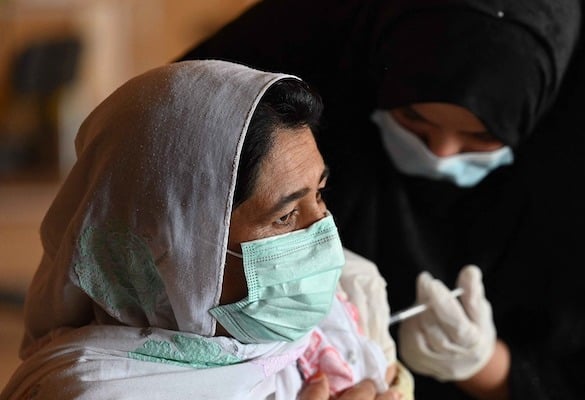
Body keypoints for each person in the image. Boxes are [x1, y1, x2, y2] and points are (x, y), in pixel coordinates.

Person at [178, 0, 585, 399]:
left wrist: (483, 364)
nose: (441, 153)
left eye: (481, 137)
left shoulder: (583, 160)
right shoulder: (293, 78)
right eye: (413, 119)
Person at [0, 60, 410, 400]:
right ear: (174, 247)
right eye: (285, 216)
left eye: (319, 194)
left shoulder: (334, 320)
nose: (323, 235)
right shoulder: (95, 393)